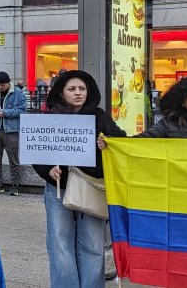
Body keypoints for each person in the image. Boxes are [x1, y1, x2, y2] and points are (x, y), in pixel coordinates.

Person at [33, 70, 124, 288]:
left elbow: (120, 142)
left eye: (82, 89)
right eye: (72, 89)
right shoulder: (49, 118)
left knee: (93, 244)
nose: (77, 93)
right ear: (62, 92)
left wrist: (107, 143)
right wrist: (48, 168)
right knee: (59, 242)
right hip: (58, 189)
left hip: (91, 188)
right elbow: (36, 149)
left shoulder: (100, 116)